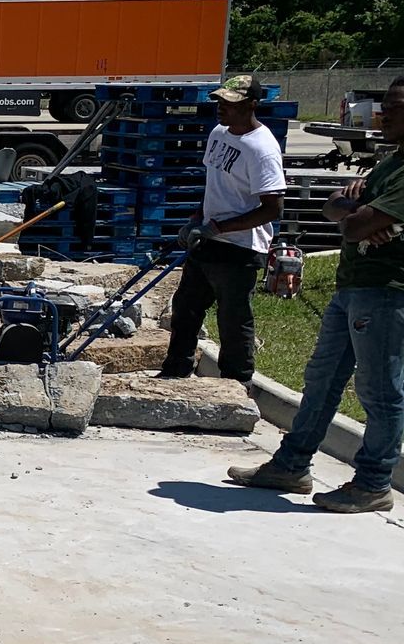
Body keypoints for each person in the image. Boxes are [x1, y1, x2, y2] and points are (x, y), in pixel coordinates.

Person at [229, 75, 404, 513]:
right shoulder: (390, 162)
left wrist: (355, 215)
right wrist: (352, 211)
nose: (384, 113)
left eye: (395, 107)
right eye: (384, 104)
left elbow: (353, 226)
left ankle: (373, 482)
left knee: (380, 391)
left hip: (386, 292)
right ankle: (291, 465)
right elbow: (335, 209)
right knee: (322, 379)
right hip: (353, 286)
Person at [159, 73, 287, 383]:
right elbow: (214, 188)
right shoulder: (219, 133)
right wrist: (195, 221)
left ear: (252, 105)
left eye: (230, 104)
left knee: (233, 319)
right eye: (219, 101)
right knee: (186, 307)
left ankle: (237, 384)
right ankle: (176, 370)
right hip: (208, 236)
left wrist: (219, 227)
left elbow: (272, 209)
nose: (221, 108)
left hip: (240, 247)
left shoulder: (262, 150)